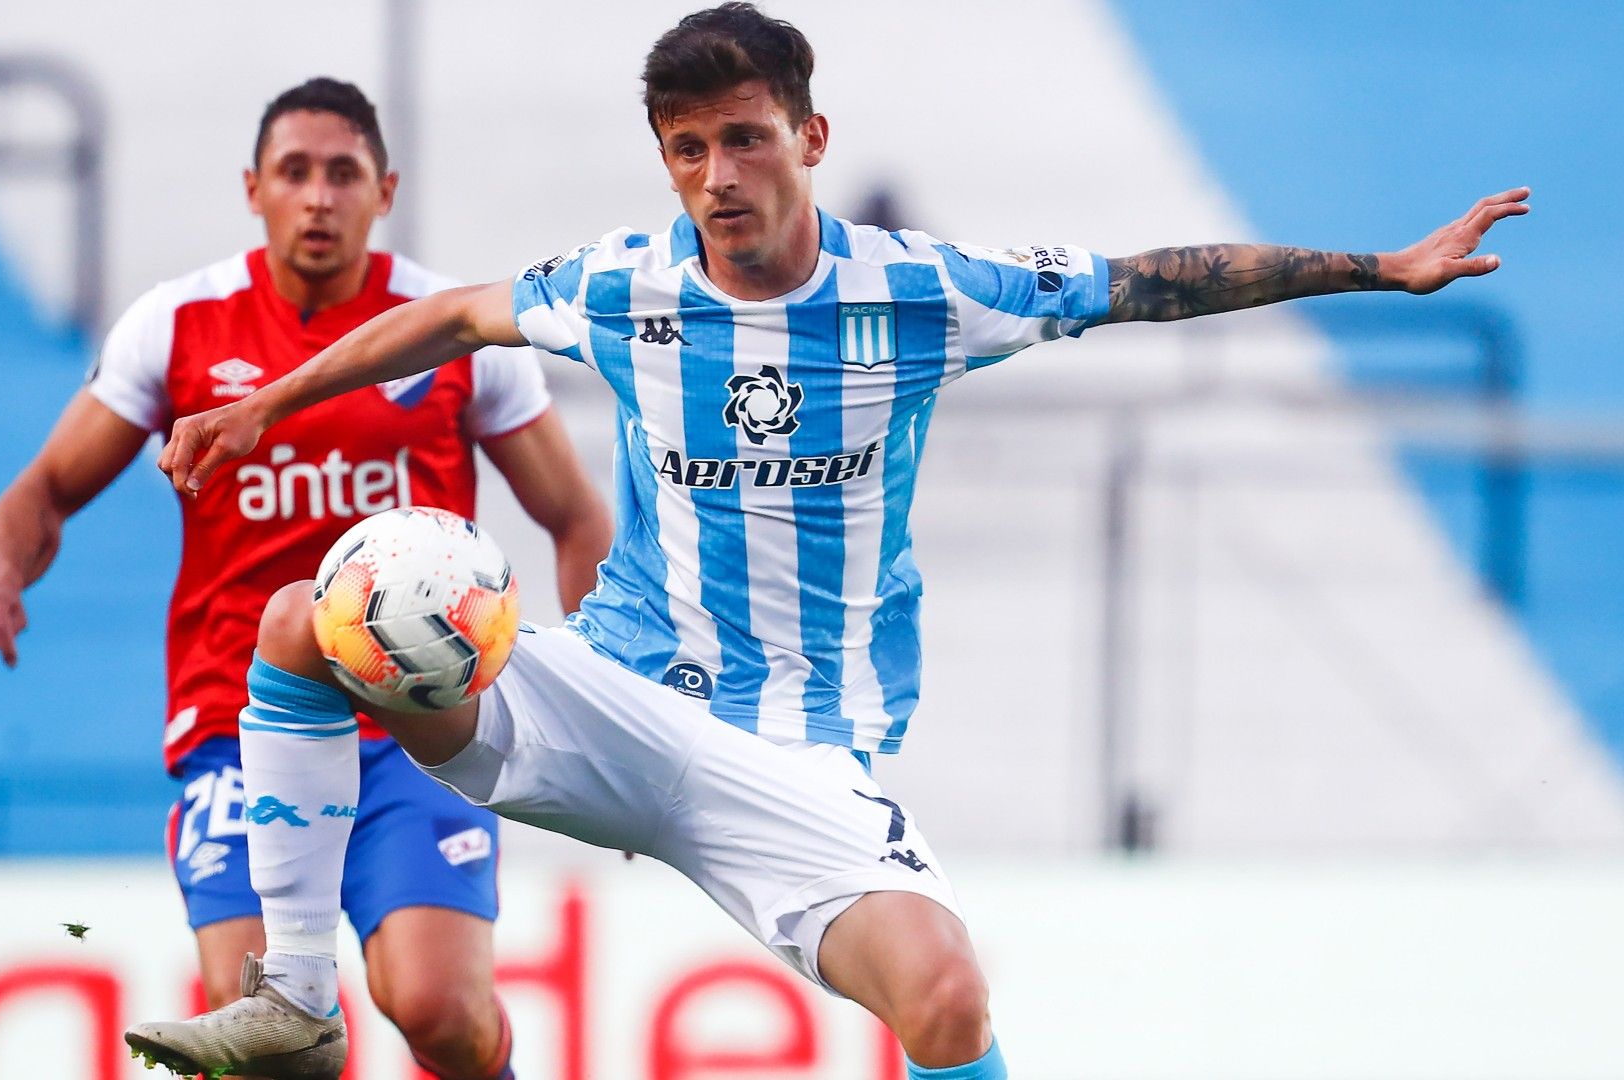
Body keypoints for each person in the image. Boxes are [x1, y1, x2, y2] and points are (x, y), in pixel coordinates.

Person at [132, 6, 1530, 1079]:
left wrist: (1380, 267)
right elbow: (449, 318)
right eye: (688, 149)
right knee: (305, 627)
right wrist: (271, 402)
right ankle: (302, 999)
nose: (716, 175)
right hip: (614, 694)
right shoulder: (625, 284)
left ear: (809, 135)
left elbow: (1147, 285)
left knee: (949, 996)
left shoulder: (918, 293)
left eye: (742, 137)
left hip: (798, 757)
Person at [0, 77, 612, 1080]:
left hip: (416, 727)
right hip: (234, 724)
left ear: (383, 191)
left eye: (342, 174)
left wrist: (610, 702)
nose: (318, 197)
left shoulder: (452, 333)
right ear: (253, 188)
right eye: (294, 173)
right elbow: (42, 491)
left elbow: (574, 517)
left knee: (440, 1012)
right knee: (270, 1045)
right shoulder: (177, 328)